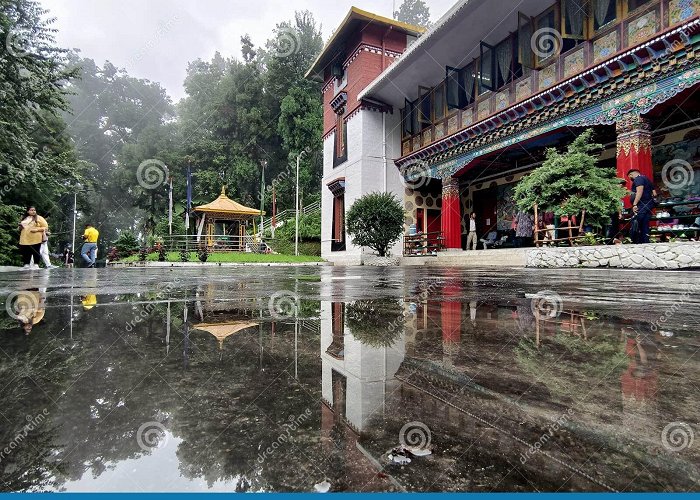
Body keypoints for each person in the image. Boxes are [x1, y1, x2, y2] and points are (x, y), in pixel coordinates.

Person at [628, 169, 656, 244]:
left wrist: (634, 204)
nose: (630, 179)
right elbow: (654, 193)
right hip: (648, 205)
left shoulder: (638, 179)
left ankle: (634, 241)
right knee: (644, 224)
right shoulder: (647, 179)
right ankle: (645, 242)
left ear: (631, 175)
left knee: (635, 222)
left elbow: (639, 192)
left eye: (629, 177)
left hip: (641, 205)